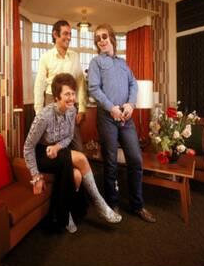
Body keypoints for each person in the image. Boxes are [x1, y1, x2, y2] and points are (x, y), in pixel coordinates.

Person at [24, 73, 121, 233]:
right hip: (41, 155)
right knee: (81, 158)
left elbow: (69, 136)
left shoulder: (71, 111)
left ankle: (66, 213)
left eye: (73, 93)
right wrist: (35, 176)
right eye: (67, 94)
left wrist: (57, 147)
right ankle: (100, 204)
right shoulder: (44, 116)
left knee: (76, 175)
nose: (71, 98)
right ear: (56, 97)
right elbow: (28, 147)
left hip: (58, 151)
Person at [87, 24, 156, 223]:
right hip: (108, 118)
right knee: (110, 163)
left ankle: (137, 205)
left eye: (104, 36)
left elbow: (133, 84)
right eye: (98, 37)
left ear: (112, 38)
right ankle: (112, 203)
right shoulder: (96, 62)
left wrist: (131, 104)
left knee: (136, 160)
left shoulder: (123, 63)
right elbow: (94, 88)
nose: (101, 40)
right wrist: (112, 107)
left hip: (126, 118)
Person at [33, 20, 86, 151]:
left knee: (78, 147)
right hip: (52, 101)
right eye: (65, 34)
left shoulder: (75, 56)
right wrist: (39, 112)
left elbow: (80, 83)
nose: (69, 37)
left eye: (70, 34)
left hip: (70, 103)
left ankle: (77, 169)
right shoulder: (46, 57)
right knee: (55, 147)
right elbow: (39, 85)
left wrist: (82, 108)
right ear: (55, 34)